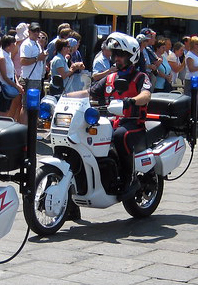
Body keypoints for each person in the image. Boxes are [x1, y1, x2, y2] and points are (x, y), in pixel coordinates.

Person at [63, 32, 151, 199]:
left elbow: (146, 95)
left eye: (121, 55)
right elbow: (89, 93)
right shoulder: (110, 78)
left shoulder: (141, 77)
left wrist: (130, 101)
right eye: (115, 54)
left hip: (133, 123)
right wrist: (64, 97)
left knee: (120, 136)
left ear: (132, 56)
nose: (116, 58)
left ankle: (128, 179)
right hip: (111, 121)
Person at [0, 33, 23, 122]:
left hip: (10, 84)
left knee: (7, 109)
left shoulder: (8, 55)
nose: (15, 46)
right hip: (4, 87)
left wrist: (17, 83)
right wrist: (16, 86)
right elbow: (5, 76)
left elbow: (13, 72)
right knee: (2, 110)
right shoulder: (1, 57)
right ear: (8, 46)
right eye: (13, 44)